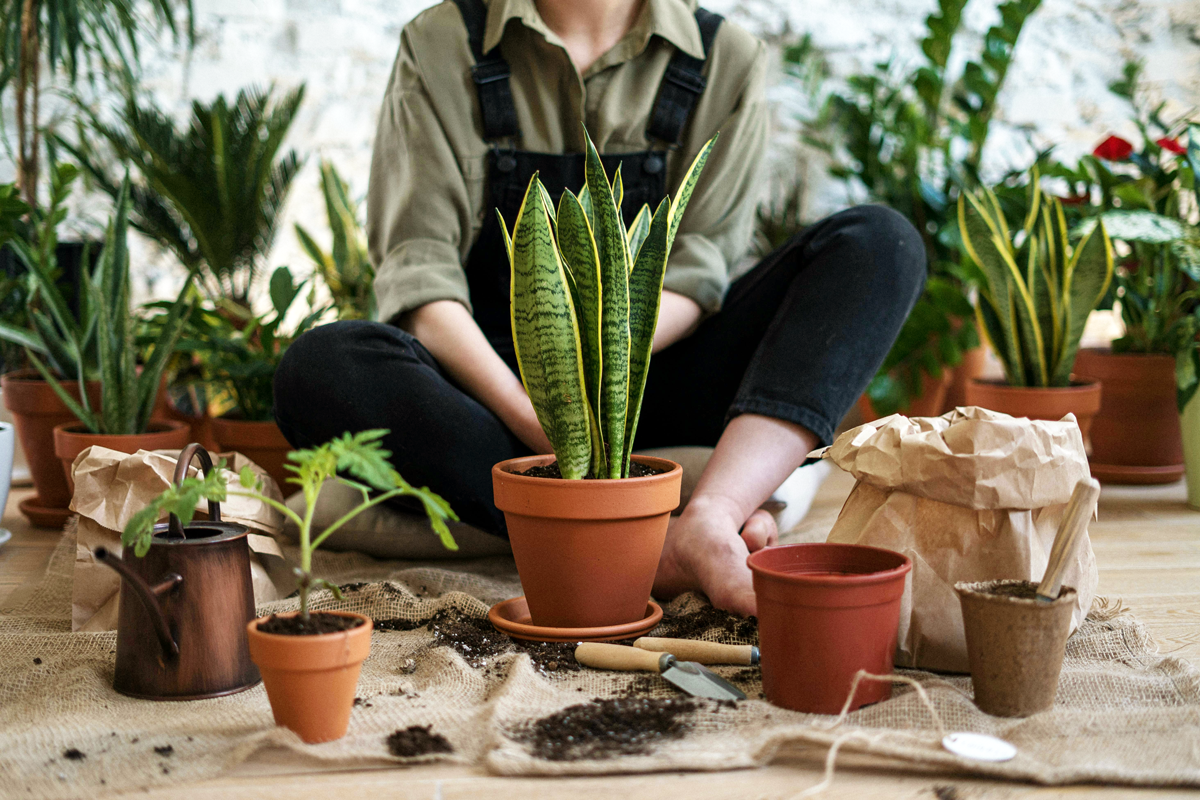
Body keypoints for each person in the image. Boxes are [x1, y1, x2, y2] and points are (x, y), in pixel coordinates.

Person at [274, 0, 925, 617]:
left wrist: (604, 391)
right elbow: (421, 275)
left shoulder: (725, 57)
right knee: (322, 365)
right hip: (493, 397)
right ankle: (638, 535)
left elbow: (698, 273)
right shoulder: (441, 43)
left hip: (653, 376)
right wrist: (544, 421)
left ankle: (708, 517)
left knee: (879, 245)